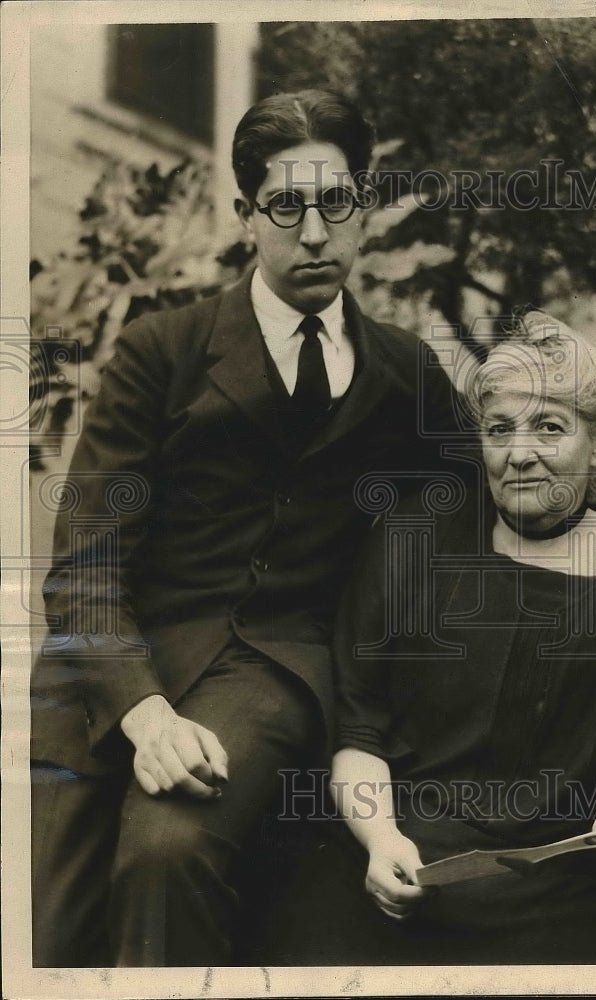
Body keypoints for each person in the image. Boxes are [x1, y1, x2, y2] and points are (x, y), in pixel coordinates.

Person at [30, 89, 461, 967]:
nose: (313, 233)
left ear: (362, 209)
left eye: (335, 203)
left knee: (167, 851)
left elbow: (480, 508)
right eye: (286, 206)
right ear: (246, 217)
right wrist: (144, 715)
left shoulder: (402, 374)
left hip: (271, 665)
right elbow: (84, 561)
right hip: (117, 666)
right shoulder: (163, 351)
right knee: (48, 930)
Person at [314, 311, 596, 965]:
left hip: (559, 883)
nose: (518, 452)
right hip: (392, 863)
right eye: (498, 429)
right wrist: (380, 841)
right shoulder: (412, 540)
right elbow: (357, 726)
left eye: (548, 427)